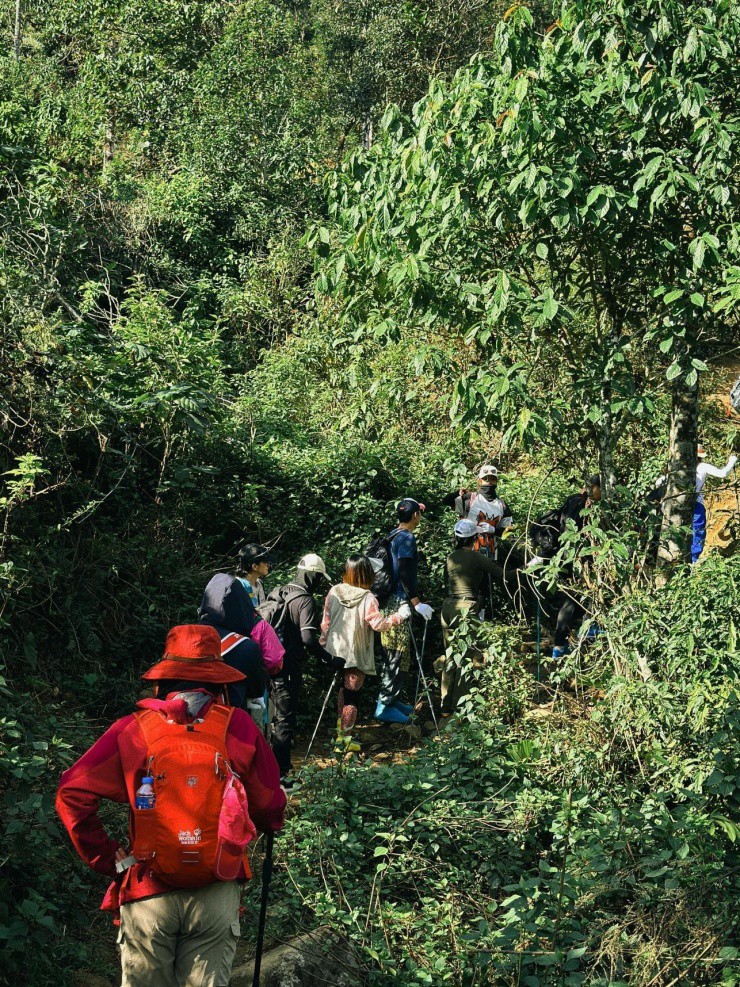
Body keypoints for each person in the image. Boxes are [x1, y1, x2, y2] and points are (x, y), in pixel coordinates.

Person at [56, 624, 286, 987]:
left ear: (163, 680)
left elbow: (72, 793)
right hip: (216, 887)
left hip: (148, 889)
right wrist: (265, 823)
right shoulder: (238, 726)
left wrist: (108, 856)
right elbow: (271, 804)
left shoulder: (132, 730)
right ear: (218, 681)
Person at [263, 553, 343, 785]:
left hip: (268, 663)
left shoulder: (277, 592)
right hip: (288, 665)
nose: (318, 583)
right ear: (311, 576)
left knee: (272, 719)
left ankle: (268, 770)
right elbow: (308, 639)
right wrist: (330, 659)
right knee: (285, 721)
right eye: (318, 577)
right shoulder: (305, 600)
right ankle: (282, 775)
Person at [320, 555, 411, 751]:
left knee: (342, 692)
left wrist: (323, 645)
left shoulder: (334, 590)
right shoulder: (367, 597)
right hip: (357, 652)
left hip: (334, 651)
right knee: (352, 696)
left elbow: (325, 622)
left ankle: (340, 734)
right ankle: (345, 739)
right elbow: (378, 624)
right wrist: (399, 617)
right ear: (366, 573)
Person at [376, 497, 434, 725]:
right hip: (398, 601)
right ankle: (383, 705)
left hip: (387, 599)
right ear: (414, 516)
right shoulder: (407, 538)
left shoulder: (392, 534)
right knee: (395, 653)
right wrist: (416, 602)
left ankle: (392, 700)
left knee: (397, 653)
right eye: (419, 513)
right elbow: (406, 572)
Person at [438, 519, 503, 715]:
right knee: (466, 657)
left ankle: (445, 706)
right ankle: (461, 707)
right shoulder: (475, 557)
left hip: (448, 607)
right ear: (475, 538)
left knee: (450, 655)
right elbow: (502, 574)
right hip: (465, 608)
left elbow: (445, 581)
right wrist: (528, 567)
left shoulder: (450, 557)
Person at [199, 573, 284, 723]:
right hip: (227, 722)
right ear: (241, 602)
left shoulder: (184, 636)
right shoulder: (246, 647)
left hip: (183, 723)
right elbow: (257, 688)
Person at [549, 474, 601, 658]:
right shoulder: (579, 504)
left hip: (573, 558)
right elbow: (573, 533)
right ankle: (563, 642)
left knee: (574, 598)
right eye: (600, 489)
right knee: (572, 598)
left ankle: (565, 643)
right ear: (593, 487)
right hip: (574, 559)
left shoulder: (577, 502)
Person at [692, 447, 737, 563]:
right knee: (698, 531)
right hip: (696, 503)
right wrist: (732, 460)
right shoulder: (702, 466)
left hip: (675, 503)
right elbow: (723, 473)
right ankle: (692, 561)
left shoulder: (677, 467)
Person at [237, 542, 272, 607]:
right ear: (255, 566)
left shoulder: (259, 583)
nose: (268, 565)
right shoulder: (239, 586)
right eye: (265, 562)